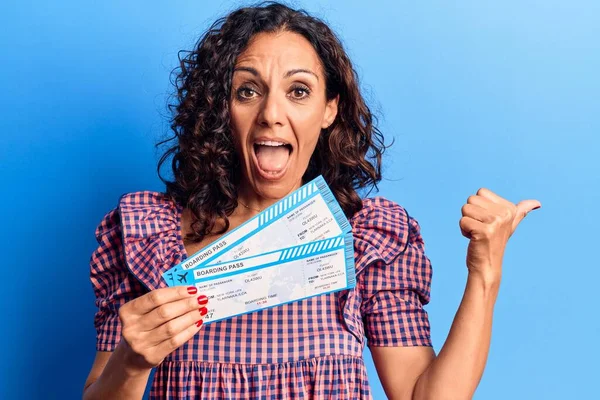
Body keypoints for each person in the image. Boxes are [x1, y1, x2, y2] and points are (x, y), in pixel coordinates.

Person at [82, 2, 541, 399]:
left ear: (329, 109)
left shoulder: (368, 239)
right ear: (222, 108)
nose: (272, 115)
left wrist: (485, 271)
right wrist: (131, 361)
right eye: (247, 91)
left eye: (298, 91)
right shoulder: (148, 235)